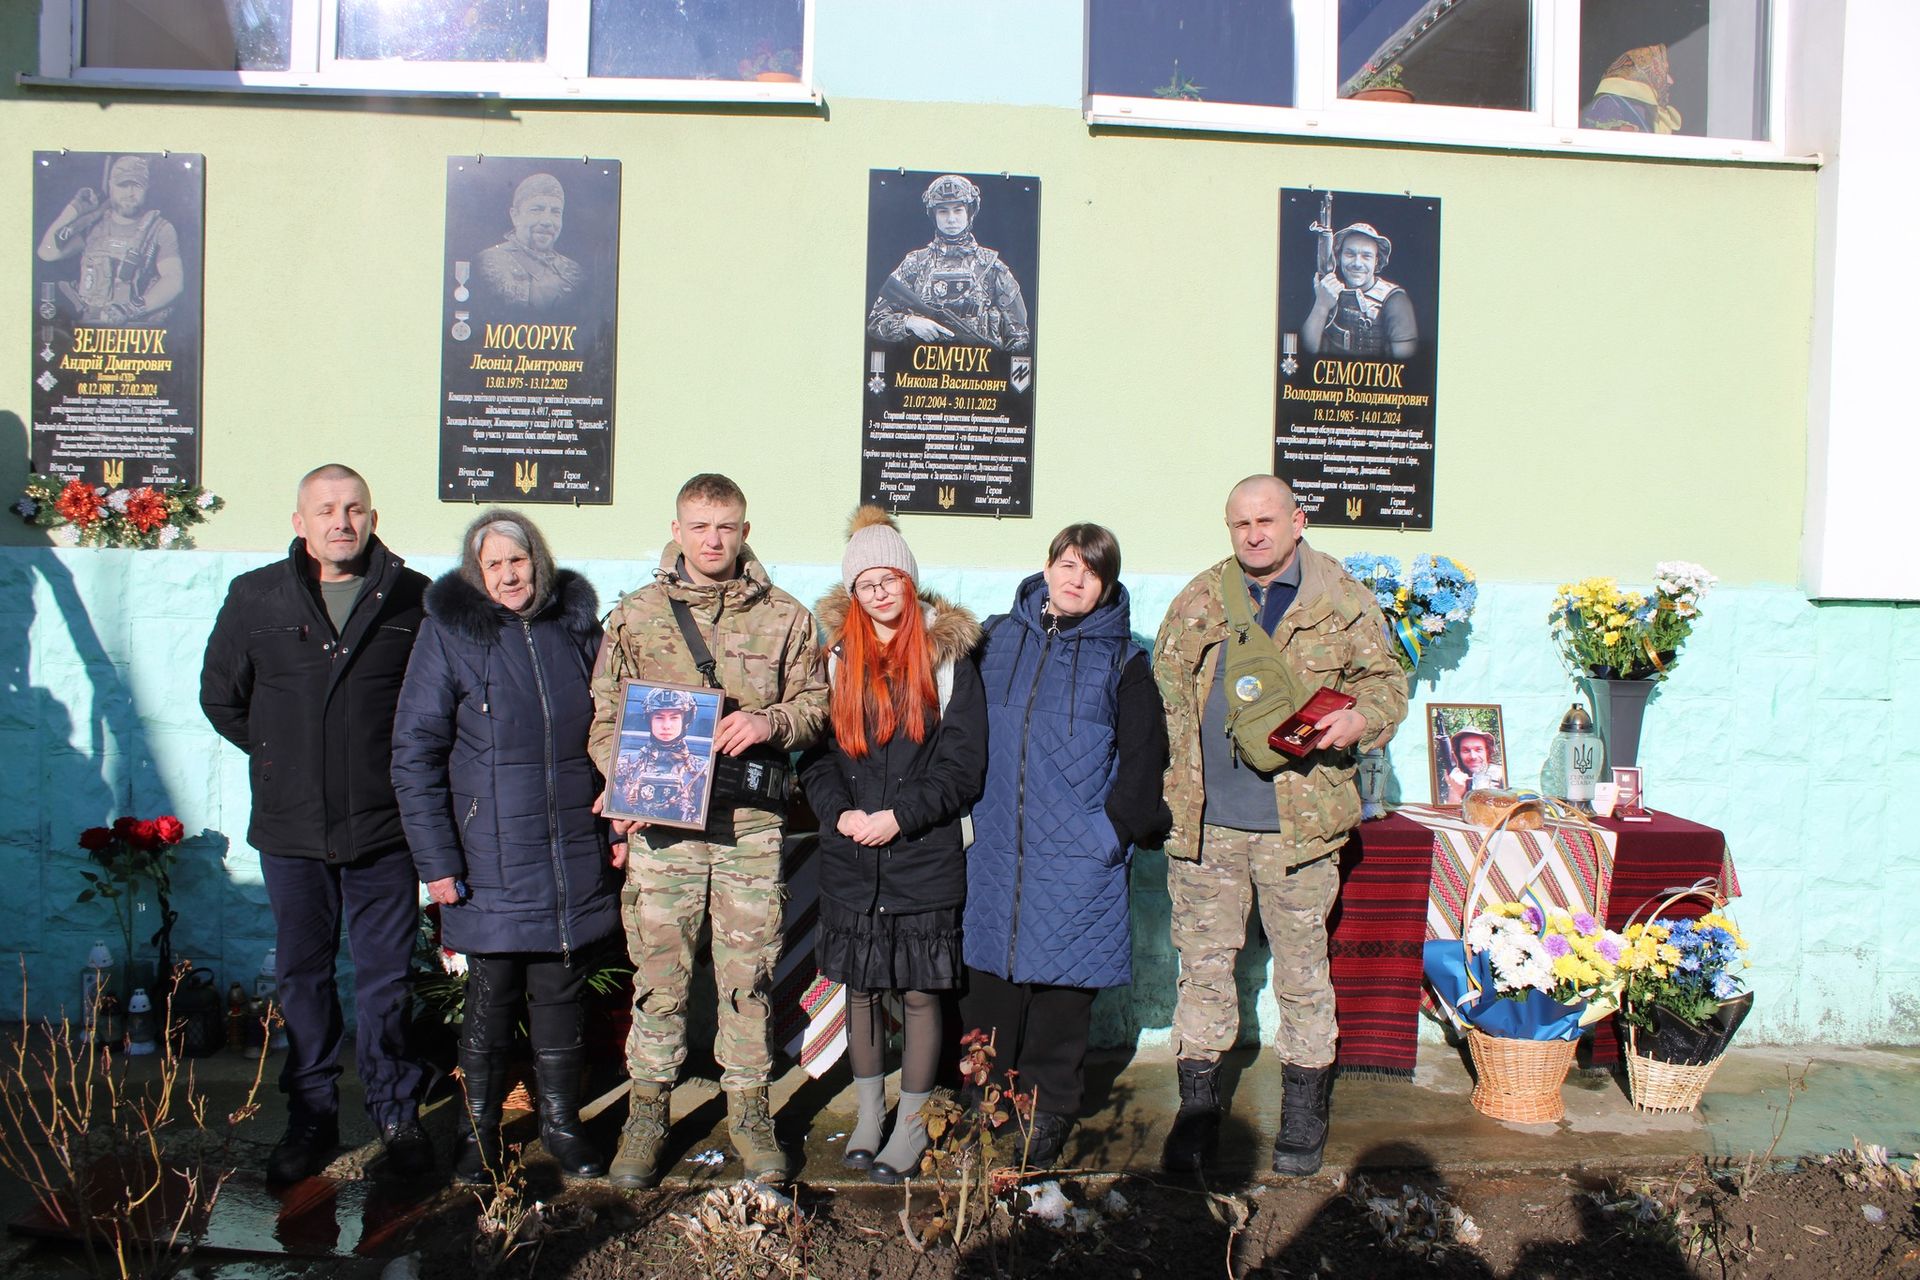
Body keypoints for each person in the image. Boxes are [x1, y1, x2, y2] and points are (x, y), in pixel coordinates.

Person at [1154, 475, 1408, 1177]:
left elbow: (1388, 682)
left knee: (1302, 974)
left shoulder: (1341, 598)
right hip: (1208, 829)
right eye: (1241, 524)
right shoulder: (1202, 597)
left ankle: (1303, 1112)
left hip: (1300, 828)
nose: (1254, 534)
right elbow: (1167, 693)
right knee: (1203, 974)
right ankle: (1198, 1115)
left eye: (1267, 520)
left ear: (1298, 520)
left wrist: (1362, 719)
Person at [588, 473, 829, 1187]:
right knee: (659, 977)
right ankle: (647, 1110)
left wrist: (770, 721)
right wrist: (622, 782)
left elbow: (817, 703)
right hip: (663, 827)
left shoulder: (786, 617)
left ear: (745, 531)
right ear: (677, 529)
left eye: (725, 527)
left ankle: (750, 1110)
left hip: (747, 827)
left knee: (746, 976)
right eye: (699, 526)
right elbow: (605, 716)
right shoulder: (636, 616)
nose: (712, 540)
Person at [199, 464, 432, 1186]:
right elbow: (222, 699)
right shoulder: (256, 597)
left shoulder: (413, 598)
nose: (341, 521)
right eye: (326, 509)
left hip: (382, 829)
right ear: (300, 521)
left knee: (387, 982)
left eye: (354, 508)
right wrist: (281, 761)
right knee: (302, 979)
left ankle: (396, 1115)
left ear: (372, 516)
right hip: (292, 828)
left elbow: (432, 707)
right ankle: (310, 1116)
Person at [390, 509, 617, 1184]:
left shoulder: (575, 629)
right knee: (490, 1003)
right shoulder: (449, 637)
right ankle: (477, 1135)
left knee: (560, 997)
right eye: (494, 564)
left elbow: (614, 728)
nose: (509, 574)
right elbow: (415, 755)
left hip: (570, 848)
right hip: (487, 857)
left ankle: (561, 1126)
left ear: (537, 561)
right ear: (476, 572)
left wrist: (619, 824)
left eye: (518, 560)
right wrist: (436, 864)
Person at [962, 524, 1170, 1168]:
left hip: (1080, 856)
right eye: (1066, 564)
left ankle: (1049, 1110)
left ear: (1107, 583)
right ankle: (983, 1102)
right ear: (1047, 566)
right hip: (993, 848)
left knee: (1061, 996)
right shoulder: (993, 638)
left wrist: (1106, 835)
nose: (1075, 579)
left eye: (1091, 571)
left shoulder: (1125, 660)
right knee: (988, 986)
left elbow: (1144, 762)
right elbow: (953, 726)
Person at [799, 507, 987, 1184]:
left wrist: (898, 818)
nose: (879, 592)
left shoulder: (949, 658)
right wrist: (841, 813)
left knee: (916, 992)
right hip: (851, 855)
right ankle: (870, 1115)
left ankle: (910, 1125)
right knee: (860, 991)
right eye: (865, 582)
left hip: (922, 853)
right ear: (853, 592)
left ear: (910, 582)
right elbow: (814, 758)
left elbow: (962, 766)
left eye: (890, 579)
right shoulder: (835, 659)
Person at [867, 173, 1031, 352]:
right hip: (920, 374)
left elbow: (1020, 337)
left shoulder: (992, 268)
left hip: (982, 375)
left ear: (969, 213)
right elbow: (876, 321)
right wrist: (910, 322)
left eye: (958, 210)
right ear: (933, 215)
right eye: (943, 211)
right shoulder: (915, 264)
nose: (951, 219)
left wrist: (997, 369)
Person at [36, 154, 184, 326]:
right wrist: (74, 210)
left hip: (134, 331)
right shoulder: (93, 226)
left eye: (137, 186)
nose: (130, 193)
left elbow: (174, 279)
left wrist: (130, 309)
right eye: (123, 185)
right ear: (111, 186)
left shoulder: (160, 229)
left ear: (147, 188)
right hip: (87, 330)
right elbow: (47, 252)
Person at [1301, 222, 1416, 360]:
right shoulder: (1327, 291)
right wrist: (1321, 305)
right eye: (1350, 254)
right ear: (1339, 257)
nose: (1357, 263)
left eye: (1366, 256)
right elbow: (1306, 350)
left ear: (1376, 261)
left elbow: (1406, 362)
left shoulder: (1395, 299)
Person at [475, 173, 583, 312]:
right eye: (536, 210)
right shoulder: (485, 264)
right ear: (515, 216)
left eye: (555, 212)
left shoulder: (575, 273)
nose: (547, 221)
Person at [614, 687, 712, 826]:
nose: (666, 726)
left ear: (685, 721)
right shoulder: (626, 765)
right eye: (659, 717)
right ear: (649, 720)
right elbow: (616, 807)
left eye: (674, 718)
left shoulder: (702, 770)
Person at [1582, 44, 1681, 134]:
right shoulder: (1610, 103)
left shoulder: (1650, 111)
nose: (1671, 81)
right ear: (1645, 72)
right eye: (1664, 72)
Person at [1442, 728, 1505, 803]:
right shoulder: (1453, 778)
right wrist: (1454, 792)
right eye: (1466, 750)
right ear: (1458, 754)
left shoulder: (1502, 775)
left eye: (1478, 750)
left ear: (1487, 751)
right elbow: (1448, 813)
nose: (1473, 756)